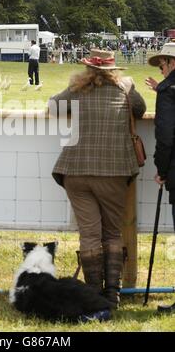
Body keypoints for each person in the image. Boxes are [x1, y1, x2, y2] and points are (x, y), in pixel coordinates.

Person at [49, 49, 146, 309]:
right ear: (114, 69)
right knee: (113, 232)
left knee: (90, 234)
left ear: (88, 68)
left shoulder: (77, 89)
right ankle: (112, 295)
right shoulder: (125, 88)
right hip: (113, 171)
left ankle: (93, 293)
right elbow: (140, 109)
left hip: (76, 170)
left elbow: (52, 106)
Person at [146, 42, 175, 314]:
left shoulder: (167, 91)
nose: (162, 70)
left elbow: (166, 136)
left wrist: (162, 169)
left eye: (163, 64)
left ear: (172, 63)